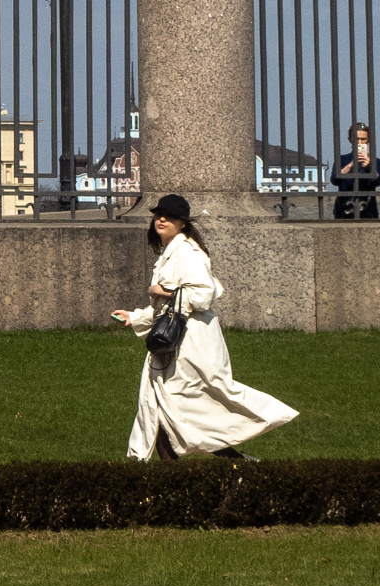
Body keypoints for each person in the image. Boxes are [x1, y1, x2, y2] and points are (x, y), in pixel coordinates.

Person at [118, 196, 298, 461]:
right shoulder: (171, 253)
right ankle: (230, 467)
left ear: (182, 223)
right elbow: (166, 309)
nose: (161, 220)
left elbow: (202, 295)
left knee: (180, 412)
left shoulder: (189, 253)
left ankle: (237, 465)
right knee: (165, 411)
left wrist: (162, 290)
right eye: (158, 215)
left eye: (168, 216)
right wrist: (134, 317)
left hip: (191, 346)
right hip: (176, 344)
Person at [330, 123, 380, 222]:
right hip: (344, 208)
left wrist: (369, 168)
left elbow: (378, 181)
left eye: (363, 139)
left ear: (368, 140)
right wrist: (351, 164)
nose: (359, 142)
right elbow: (334, 179)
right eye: (356, 139)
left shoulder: (376, 161)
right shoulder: (341, 159)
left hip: (368, 208)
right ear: (350, 139)